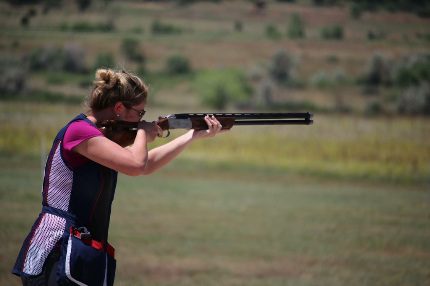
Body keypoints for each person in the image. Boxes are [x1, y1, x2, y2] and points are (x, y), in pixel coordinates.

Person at [12, 69, 224, 286]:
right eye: (139, 113)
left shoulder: (98, 135)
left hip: (79, 248)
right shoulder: (79, 131)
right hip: (56, 247)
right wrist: (142, 132)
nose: (142, 118)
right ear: (119, 108)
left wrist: (192, 136)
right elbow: (135, 165)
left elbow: (145, 164)